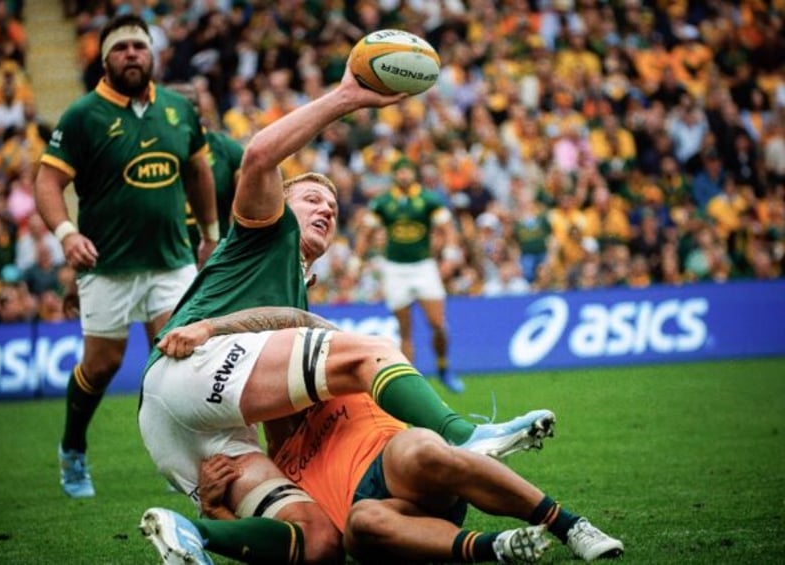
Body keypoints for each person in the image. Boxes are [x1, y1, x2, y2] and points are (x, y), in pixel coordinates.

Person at [137, 66, 555, 563]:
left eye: (333, 206)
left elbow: (283, 431)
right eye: (311, 198)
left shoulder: (297, 289)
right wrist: (346, 98)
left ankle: (190, 534)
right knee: (371, 352)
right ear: (279, 205)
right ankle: (465, 435)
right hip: (190, 368)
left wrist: (215, 507)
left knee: (319, 542)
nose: (326, 209)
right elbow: (259, 155)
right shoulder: (266, 232)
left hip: (190, 430)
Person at [140, 307, 623, 564]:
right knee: (360, 526)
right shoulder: (274, 470)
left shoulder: (334, 379)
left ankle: (569, 526)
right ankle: (495, 548)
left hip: (403, 464)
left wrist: (213, 327)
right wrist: (213, 505)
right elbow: (291, 540)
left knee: (416, 450)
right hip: (386, 518)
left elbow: (294, 320)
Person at [34, 13, 219, 498]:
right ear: (104, 58)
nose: (132, 54)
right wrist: (67, 234)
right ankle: (73, 450)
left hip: (171, 262)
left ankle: (188, 466)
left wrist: (210, 233)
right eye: (121, 48)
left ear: (153, 53)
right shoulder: (83, 116)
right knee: (101, 367)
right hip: (106, 266)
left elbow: (199, 171)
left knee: (176, 361)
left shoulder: (179, 110)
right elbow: (47, 182)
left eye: (139, 45)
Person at [356, 156, 465, 392]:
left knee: (437, 323)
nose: (404, 176)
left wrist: (450, 252)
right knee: (405, 329)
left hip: (423, 266)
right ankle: (413, 384)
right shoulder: (383, 202)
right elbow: (366, 231)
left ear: (413, 174)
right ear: (395, 175)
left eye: (407, 172)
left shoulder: (428, 199)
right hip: (394, 268)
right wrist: (357, 259)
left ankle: (443, 367)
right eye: (400, 172)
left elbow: (447, 228)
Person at [166, 81, 244, 258]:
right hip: (166, 258)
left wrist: (231, 253)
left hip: (215, 259)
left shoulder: (228, 151)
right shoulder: (149, 148)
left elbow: (243, 212)